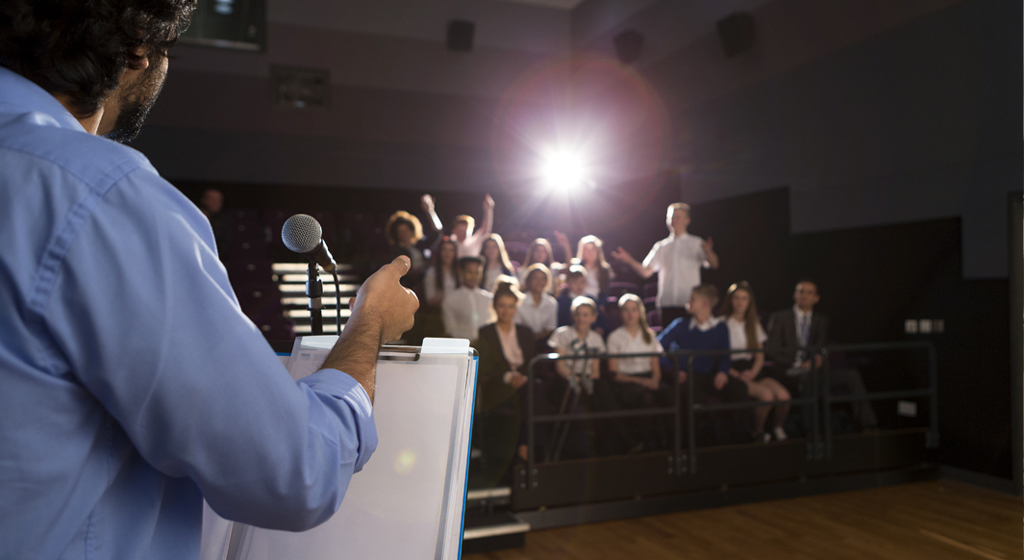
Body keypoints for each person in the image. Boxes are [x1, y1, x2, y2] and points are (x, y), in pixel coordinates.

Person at [0, 3, 420, 558]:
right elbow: (294, 473)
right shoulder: (95, 191)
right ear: (136, 47)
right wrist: (369, 325)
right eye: (170, 48)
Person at [766, 280, 877, 430]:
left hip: (814, 370)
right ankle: (811, 433)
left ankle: (868, 426)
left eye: (809, 292)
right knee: (807, 380)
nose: (804, 295)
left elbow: (820, 347)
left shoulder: (821, 320)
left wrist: (817, 359)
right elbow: (772, 351)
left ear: (816, 298)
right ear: (794, 295)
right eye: (801, 291)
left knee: (852, 376)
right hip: (789, 370)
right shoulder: (779, 317)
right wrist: (798, 365)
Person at [548, 297, 642, 455]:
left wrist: (589, 382)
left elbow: (596, 370)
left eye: (585, 315)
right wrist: (575, 379)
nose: (581, 318)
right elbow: (560, 366)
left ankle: (618, 443)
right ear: (573, 316)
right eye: (578, 314)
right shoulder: (562, 334)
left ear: (593, 317)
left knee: (604, 395)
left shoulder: (596, 339)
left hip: (589, 378)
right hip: (567, 379)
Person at [612, 203, 720, 327]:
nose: (674, 220)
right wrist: (629, 260)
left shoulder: (696, 243)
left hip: (690, 304)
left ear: (687, 220)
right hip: (666, 304)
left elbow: (714, 264)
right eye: (671, 217)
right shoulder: (661, 246)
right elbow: (646, 271)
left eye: (678, 217)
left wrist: (708, 252)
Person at [658, 285, 748, 433]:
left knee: (739, 388)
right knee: (692, 393)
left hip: (708, 376)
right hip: (686, 376)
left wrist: (723, 372)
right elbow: (656, 347)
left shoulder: (720, 328)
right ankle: (704, 437)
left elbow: (725, 356)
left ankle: (739, 436)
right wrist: (673, 369)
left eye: (693, 299)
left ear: (705, 303)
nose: (688, 302)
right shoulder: (680, 324)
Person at [475, 282, 540, 463]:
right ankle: (524, 448)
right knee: (523, 398)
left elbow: (531, 362)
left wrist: (522, 377)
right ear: (495, 306)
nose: (506, 311)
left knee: (533, 393)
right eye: (502, 306)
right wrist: (508, 377)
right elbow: (486, 365)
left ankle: (524, 447)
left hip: (524, 382)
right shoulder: (486, 332)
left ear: (515, 308)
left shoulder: (526, 332)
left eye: (510, 306)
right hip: (499, 384)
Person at [720, 282, 791, 443]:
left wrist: (752, 372)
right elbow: (718, 358)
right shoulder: (722, 322)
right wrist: (736, 374)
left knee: (784, 396)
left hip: (752, 368)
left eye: (744, 298)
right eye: (736, 298)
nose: (740, 302)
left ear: (749, 302)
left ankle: (777, 428)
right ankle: (757, 432)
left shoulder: (754, 323)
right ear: (730, 300)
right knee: (766, 396)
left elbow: (760, 357)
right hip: (731, 369)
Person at [606, 294, 665, 447]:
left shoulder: (650, 336)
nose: (630, 314)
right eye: (626, 310)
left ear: (640, 312)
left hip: (648, 378)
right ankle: (643, 443)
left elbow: (656, 368)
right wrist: (642, 382)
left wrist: (655, 380)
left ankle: (669, 442)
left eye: (633, 309)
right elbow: (614, 373)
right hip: (626, 382)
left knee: (669, 394)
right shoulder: (614, 337)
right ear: (621, 313)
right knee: (646, 397)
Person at [442, 256, 494, 340]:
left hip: (488, 346)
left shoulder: (489, 298)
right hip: (463, 348)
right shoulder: (451, 299)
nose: (473, 276)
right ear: (461, 272)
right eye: (469, 272)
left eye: (477, 272)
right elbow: (450, 330)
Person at [556, 264, 610, 334]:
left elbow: (601, 320)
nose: (579, 285)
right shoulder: (562, 301)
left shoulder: (591, 300)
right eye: (575, 282)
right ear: (568, 283)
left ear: (586, 283)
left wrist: (600, 328)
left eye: (582, 281)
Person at [516, 264, 559, 343]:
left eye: (543, 278)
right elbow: (517, 326)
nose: (539, 282)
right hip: (522, 341)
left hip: (544, 342)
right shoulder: (519, 302)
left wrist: (537, 338)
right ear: (528, 280)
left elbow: (550, 328)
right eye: (535, 278)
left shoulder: (552, 303)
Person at [198, 188, 233, 266]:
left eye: (218, 200)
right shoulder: (195, 217)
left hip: (217, 259)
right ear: (203, 200)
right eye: (212, 199)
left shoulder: (225, 221)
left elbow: (225, 245)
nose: (215, 202)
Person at [574, 235, 615, 300]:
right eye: (587, 249)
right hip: (579, 300)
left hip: (597, 302)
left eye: (593, 248)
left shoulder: (604, 270)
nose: (590, 252)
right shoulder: (576, 268)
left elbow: (605, 291)